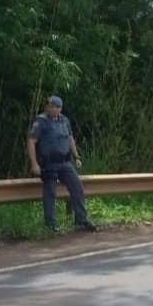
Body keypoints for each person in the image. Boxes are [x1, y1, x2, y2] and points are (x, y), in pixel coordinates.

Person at [27, 95, 96, 232]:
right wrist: (34, 164)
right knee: (50, 193)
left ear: (60, 108)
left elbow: (70, 139)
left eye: (57, 107)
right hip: (48, 163)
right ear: (47, 107)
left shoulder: (65, 121)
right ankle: (50, 225)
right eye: (52, 106)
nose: (54, 109)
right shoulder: (41, 121)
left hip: (65, 162)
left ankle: (81, 220)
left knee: (77, 187)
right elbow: (31, 141)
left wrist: (76, 156)